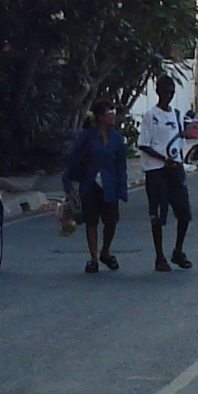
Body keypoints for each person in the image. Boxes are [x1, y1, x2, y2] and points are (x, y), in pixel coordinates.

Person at [135, 73, 193, 270]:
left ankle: (178, 250)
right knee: (158, 216)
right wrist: (164, 159)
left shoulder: (176, 115)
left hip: (175, 170)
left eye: (171, 92)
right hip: (156, 171)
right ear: (158, 92)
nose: (168, 95)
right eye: (165, 92)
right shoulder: (151, 116)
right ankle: (159, 256)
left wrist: (177, 161)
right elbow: (144, 144)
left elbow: (179, 141)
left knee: (184, 213)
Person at [61, 102, 127, 273]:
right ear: (100, 116)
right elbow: (75, 158)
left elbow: (121, 164)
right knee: (91, 221)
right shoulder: (87, 136)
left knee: (111, 220)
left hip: (110, 184)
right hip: (90, 183)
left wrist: (122, 187)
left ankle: (105, 251)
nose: (113, 115)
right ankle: (93, 258)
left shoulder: (117, 139)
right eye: (109, 112)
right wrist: (68, 181)